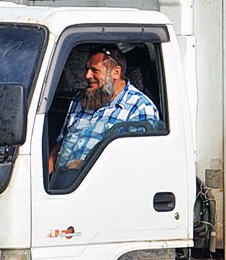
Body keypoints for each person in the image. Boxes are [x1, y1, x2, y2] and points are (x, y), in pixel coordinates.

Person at [49, 45, 159, 187]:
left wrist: (86, 165)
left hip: (100, 189)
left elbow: (137, 163)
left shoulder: (140, 109)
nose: (87, 76)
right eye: (87, 69)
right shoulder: (80, 100)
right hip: (59, 185)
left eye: (95, 70)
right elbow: (61, 143)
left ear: (116, 72)